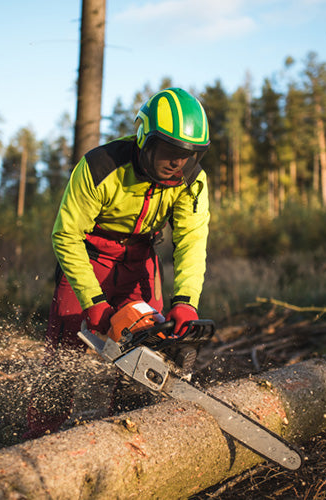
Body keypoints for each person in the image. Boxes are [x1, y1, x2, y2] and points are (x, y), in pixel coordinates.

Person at [24, 87, 211, 439]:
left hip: (140, 261)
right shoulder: (100, 166)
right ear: (145, 140)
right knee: (62, 358)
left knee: (150, 350)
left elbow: (192, 239)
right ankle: (38, 437)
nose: (177, 163)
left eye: (187, 155)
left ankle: (131, 435)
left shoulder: (190, 181)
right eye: (169, 153)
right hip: (89, 258)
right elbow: (66, 235)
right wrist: (93, 303)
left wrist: (186, 301)